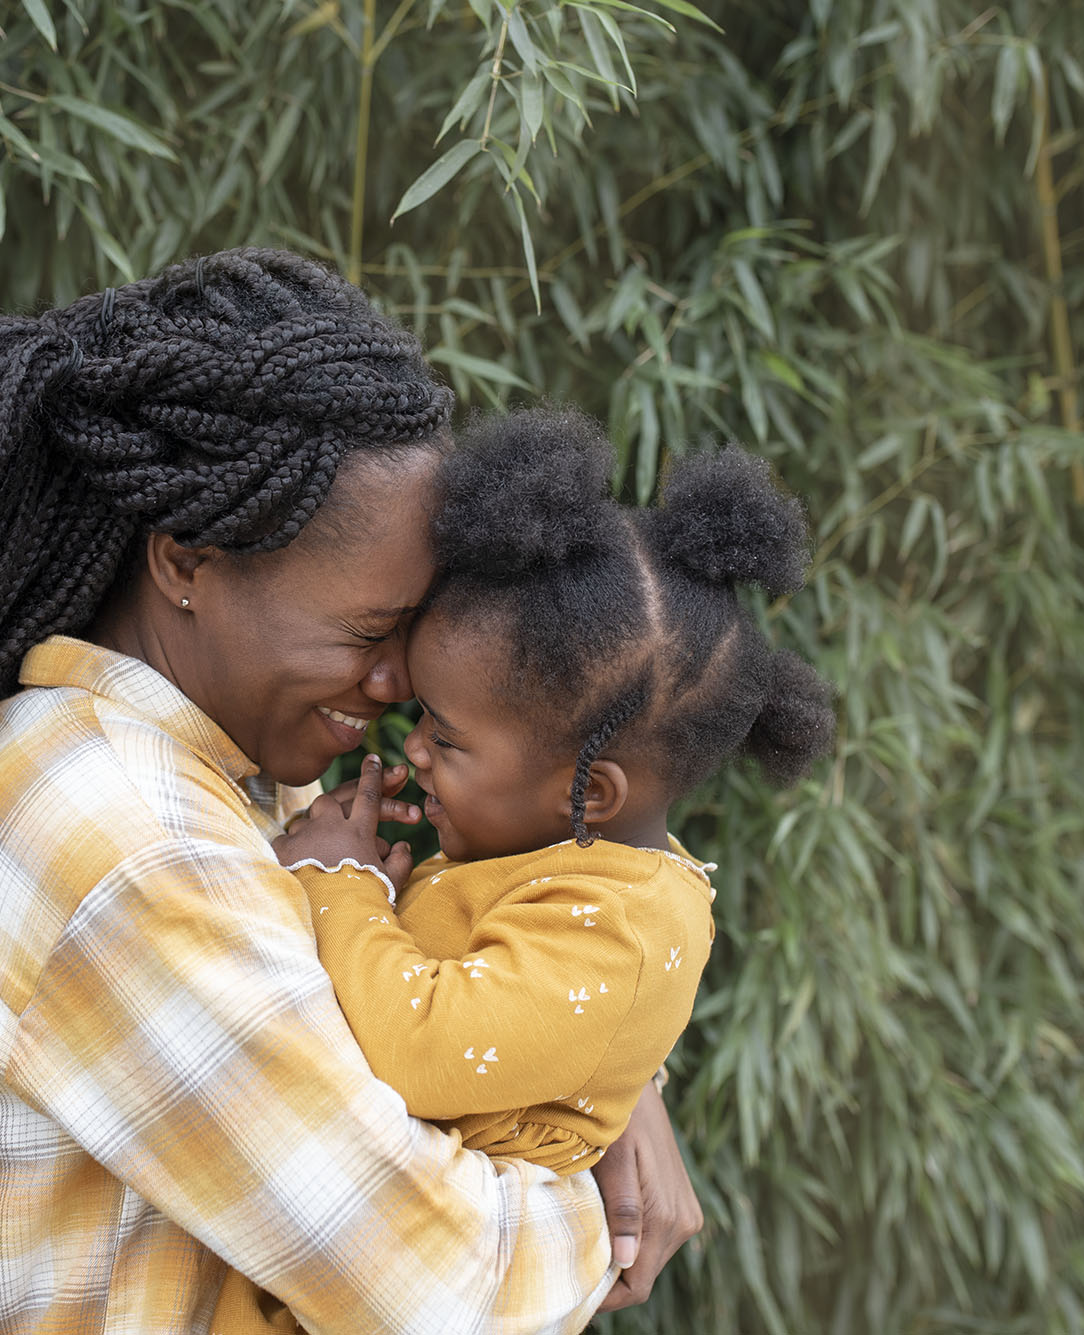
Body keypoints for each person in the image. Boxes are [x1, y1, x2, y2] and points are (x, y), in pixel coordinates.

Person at [0, 250, 702, 1334]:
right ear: (185, 561)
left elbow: (423, 999)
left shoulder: (216, 771)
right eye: (369, 635)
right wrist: (588, 1173)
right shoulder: (126, 840)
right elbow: (434, 1289)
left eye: (409, 638)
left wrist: (609, 1083)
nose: (397, 688)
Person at [211, 410, 835, 1333]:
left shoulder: (619, 926)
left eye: (447, 736)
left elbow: (416, 1049)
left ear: (591, 792)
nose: (411, 746)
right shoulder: (569, 873)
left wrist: (341, 887)